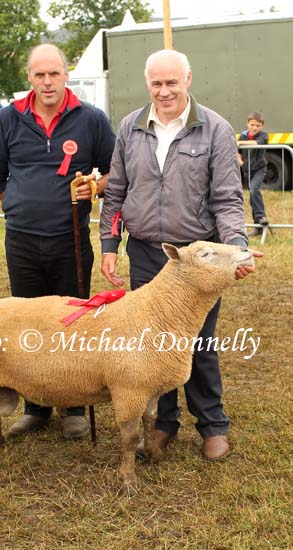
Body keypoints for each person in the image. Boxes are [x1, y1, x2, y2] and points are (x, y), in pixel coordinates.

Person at [100, 49, 262, 461]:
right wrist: (109, 245)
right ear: (147, 83)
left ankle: (212, 425)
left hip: (196, 260)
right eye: (157, 83)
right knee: (150, 345)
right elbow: (116, 191)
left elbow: (227, 199)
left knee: (198, 341)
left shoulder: (216, 129)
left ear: (188, 79)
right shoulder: (130, 126)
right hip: (147, 253)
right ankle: (164, 424)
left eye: (172, 82)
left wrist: (237, 249)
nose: (164, 90)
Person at [0, 44, 115, 440]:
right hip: (21, 241)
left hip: (70, 240)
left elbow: (114, 174)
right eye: (39, 75)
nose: (47, 82)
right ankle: (37, 407)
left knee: (70, 322)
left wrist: (94, 186)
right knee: (28, 323)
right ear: (30, 78)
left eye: (54, 74)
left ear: (66, 74)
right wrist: (24, 204)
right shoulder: (8, 119)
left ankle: (74, 405)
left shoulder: (91, 119)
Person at [237, 112, 269, 236]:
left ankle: (261, 216)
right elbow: (237, 153)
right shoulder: (243, 136)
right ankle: (258, 227)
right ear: (247, 124)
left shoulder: (264, 135)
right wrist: (241, 164)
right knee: (252, 197)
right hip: (247, 170)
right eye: (252, 125)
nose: (254, 127)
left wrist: (240, 143)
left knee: (254, 189)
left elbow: (257, 143)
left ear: (261, 126)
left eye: (258, 125)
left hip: (260, 169)